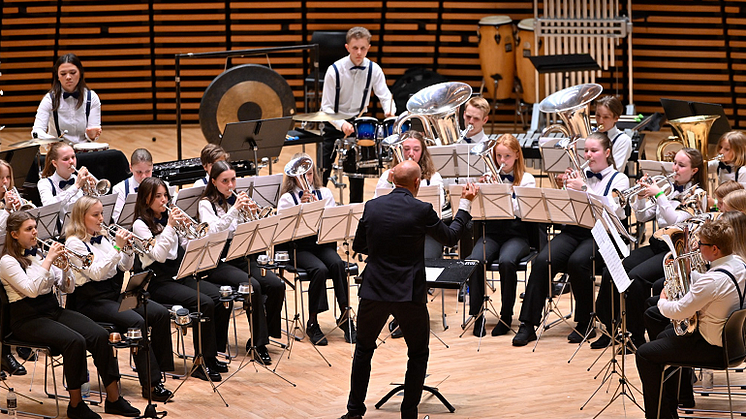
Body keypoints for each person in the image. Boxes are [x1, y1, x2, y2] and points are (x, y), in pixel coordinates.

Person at [340, 160, 477, 419]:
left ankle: (354, 411)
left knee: (363, 349)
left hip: (374, 289)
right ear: (417, 183)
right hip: (408, 292)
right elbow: (450, 237)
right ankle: (408, 413)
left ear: (392, 179)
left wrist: (384, 250)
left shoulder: (372, 206)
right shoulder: (422, 210)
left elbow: (360, 244)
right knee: (417, 352)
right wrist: (465, 204)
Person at [0, 211, 140, 419]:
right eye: (28, 229)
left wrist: (65, 269)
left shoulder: (38, 254)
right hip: (26, 318)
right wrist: (48, 260)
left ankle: (114, 399)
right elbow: (31, 289)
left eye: (34, 227)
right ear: (13, 234)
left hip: (52, 309)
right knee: (75, 341)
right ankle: (76, 405)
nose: (34, 232)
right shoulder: (7, 261)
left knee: (99, 334)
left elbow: (68, 289)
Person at [513, 132, 629, 346]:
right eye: (586, 150)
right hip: (574, 231)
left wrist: (584, 189)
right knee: (542, 260)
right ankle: (528, 324)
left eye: (594, 151)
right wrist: (565, 188)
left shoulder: (619, 179)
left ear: (607, 152)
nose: (588, 155)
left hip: (601, 234)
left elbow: (614, 212)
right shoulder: (580, 173)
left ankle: (585, 322)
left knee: (578, 262)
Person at [591, 148, 705, 350]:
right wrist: (641, 197)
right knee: (612, 271)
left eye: (681, 165)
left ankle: (636, 336)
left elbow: (675, 220)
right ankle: (610, 328)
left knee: (636, 278)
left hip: (676, 250)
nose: (675, 168)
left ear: (694, 170)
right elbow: (643, 216)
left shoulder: (697, 194)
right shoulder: (667, 186)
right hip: (657, 243)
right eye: (674, 163)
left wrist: (659, 195)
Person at [64, 196, 174, 402]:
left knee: (158, 313)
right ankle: (150, 383)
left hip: (112, 295)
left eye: (101, 214)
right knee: (136, 321)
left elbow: (124, 266)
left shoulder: (103, 236)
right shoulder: (74, 243)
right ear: (81, 217)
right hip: (90, 301)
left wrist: (128, 249)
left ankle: (159, 371)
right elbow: (96, 273)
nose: (101, 219)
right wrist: (116, 248)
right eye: (95, 215)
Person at [636, 218, 746, 419]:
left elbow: (679, 311)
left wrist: (662, 300)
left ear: (714, 249)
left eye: (701, 244)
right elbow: (711, 286)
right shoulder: (738, 263)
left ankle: (660, 416)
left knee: (644, 354)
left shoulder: (713, 281)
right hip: (734, 343)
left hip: (712, 348)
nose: (697, 247)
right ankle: (673, 403)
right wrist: (689, 273)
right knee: (662, 337)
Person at [133, 177, 228, 381]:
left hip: (178, 274)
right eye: (158, 196)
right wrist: (170, 226)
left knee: (216, 297)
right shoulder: (140, 225)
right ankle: (200, 362)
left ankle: (210, 357)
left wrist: (192, 233)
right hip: (157, 281)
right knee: (203, 302)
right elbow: (158, 254)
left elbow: (184, 246)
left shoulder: (169, 218)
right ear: (146, 199)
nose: (163, 200)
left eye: (165, 195)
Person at [198, 161, 285, 363]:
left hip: (240, 256)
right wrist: (235, 211)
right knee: (252, 286)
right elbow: (214, 231)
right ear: (214, 182)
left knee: (276, 285)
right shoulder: (206, 204)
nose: (230, 185)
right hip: (218, 261)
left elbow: (249, 233)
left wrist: (252, 216)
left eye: (233, 180)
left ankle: (266, 332)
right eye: (225, 181)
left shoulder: (236, 200)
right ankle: (258, 343)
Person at [277, 153, 355, 346]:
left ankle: (345, 316)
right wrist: (301, 210)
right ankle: (313, 321)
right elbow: (283, 232)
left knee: (337, 263)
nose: (307, 179)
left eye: (310, 174)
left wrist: (318, 211)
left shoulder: (325, 193)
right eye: (303, 175)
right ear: (293, 177)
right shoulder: (287, 199)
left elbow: (330, 224)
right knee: (319, 270)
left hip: (320, 244)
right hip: (299, 247)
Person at [467, 133, 536, 337]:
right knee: (475, 261)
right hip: (493, 232)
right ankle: (477, 316)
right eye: (498, 156)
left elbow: (522, 211)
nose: (502, 161)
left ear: (516, 155)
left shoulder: (527, 180)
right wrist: (481, 192)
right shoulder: (488, 177)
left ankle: (506, 316)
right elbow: (478, 211)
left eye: (506, 156)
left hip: (518, 234)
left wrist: (502, 191)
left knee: (507, 262)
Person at [320, 26, 395, 203]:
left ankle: (356, 211)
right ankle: (318, 207)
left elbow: (386, 96)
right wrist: (341, 124)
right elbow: (326, 108)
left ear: (368, 47)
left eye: (363, 48)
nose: (359, 52)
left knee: (357, 173)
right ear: (347, 48)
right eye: (355, 48)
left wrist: (390, 112)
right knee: (323, 171)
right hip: (335, 122)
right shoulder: (334, 71)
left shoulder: (374, 69)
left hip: (358, 123)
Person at [32, 53, 101, 144]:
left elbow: (92, 133)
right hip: (60, 153)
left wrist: (92, 135)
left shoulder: (92, 97)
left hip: (85, 152)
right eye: (63, 74)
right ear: (58, 77)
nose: (68, 77)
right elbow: (36, 131)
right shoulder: (49, 100)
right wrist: (49, 139)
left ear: (80, 73)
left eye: (72, 73)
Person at [112, 148, 155, 222]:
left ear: (152, 167)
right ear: (131, 168)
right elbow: (118, 220)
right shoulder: (119, 189)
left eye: (148, 171)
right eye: (139, 172)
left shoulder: (163, 186)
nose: (144, 176)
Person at [595, 95, 632, 170]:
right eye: (598, 115)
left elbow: (615, 171)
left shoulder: (623, 140)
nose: (600, 121)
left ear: (616, 118)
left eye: (606, 117)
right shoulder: (589, 135)